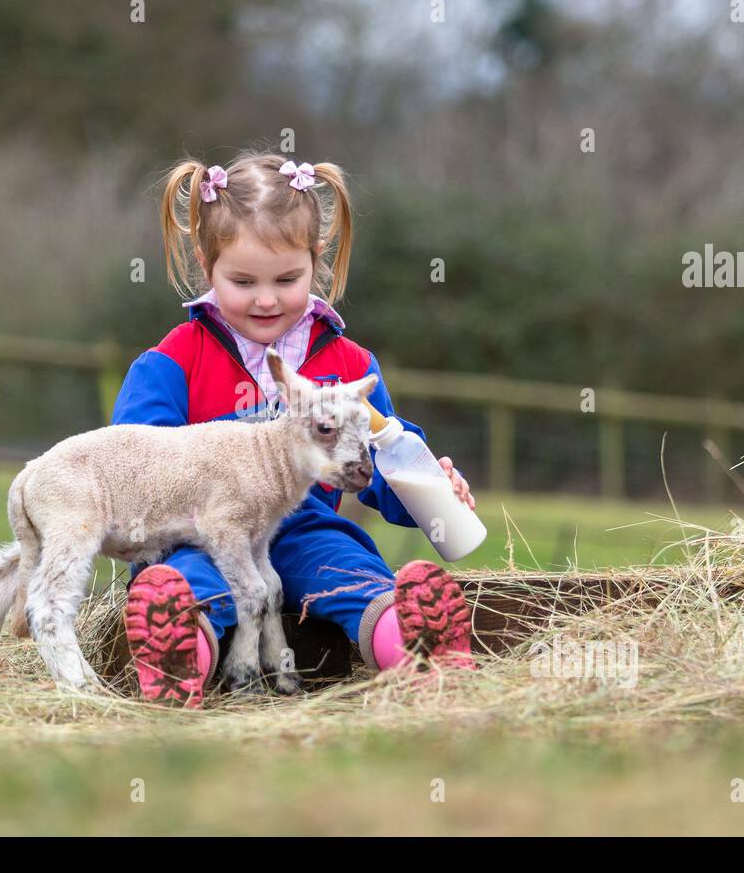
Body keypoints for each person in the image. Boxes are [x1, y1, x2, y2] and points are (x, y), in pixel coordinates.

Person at [112, 148, 478, 706]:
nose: (265, 299)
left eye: (287, 279)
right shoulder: (174, 360)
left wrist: (430, 486)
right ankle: (179, 657)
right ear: (206, 263)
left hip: (303, 521)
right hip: (203, 524)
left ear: (317, 258)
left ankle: (414, 647)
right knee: (188, 581)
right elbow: (134, 457)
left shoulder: (349, 366)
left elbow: (383, 455)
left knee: (349, 568)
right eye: (242, 280)